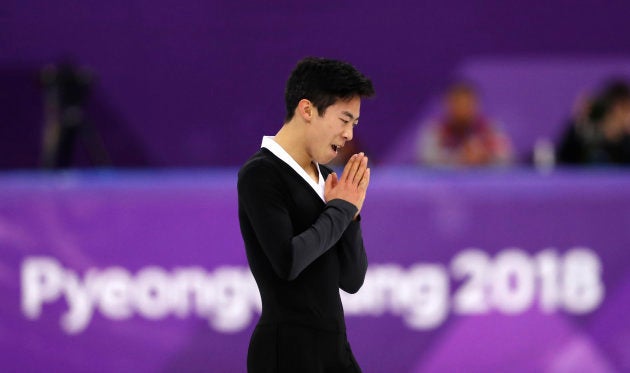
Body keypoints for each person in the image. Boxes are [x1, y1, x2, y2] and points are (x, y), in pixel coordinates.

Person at [237, 57, 375, 372]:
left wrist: (351, 217)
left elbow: (352, 280)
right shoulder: (261, 173)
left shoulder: (327, 179)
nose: (349, 134)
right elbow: (288, 262)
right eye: (344, 119)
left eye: (354, 123)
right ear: (308, 110)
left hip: (335, 351)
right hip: (286, 352)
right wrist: (341, 209)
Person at [417, 82, 513, 167]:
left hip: (483, 182)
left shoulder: (490, 128)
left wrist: (485, 157)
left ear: (476, 104)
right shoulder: (436, 129)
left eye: (467, 104)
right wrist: (459, 158)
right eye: (457, 103)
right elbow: (426, 158)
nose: (462, 109)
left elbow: (506, 157)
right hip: (445, 184)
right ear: (448, 105)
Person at [557, 80, 630, 165]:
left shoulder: (627, 142)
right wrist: (579, 123)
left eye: (626, 109)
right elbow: (563, 161)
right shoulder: (587, 136)